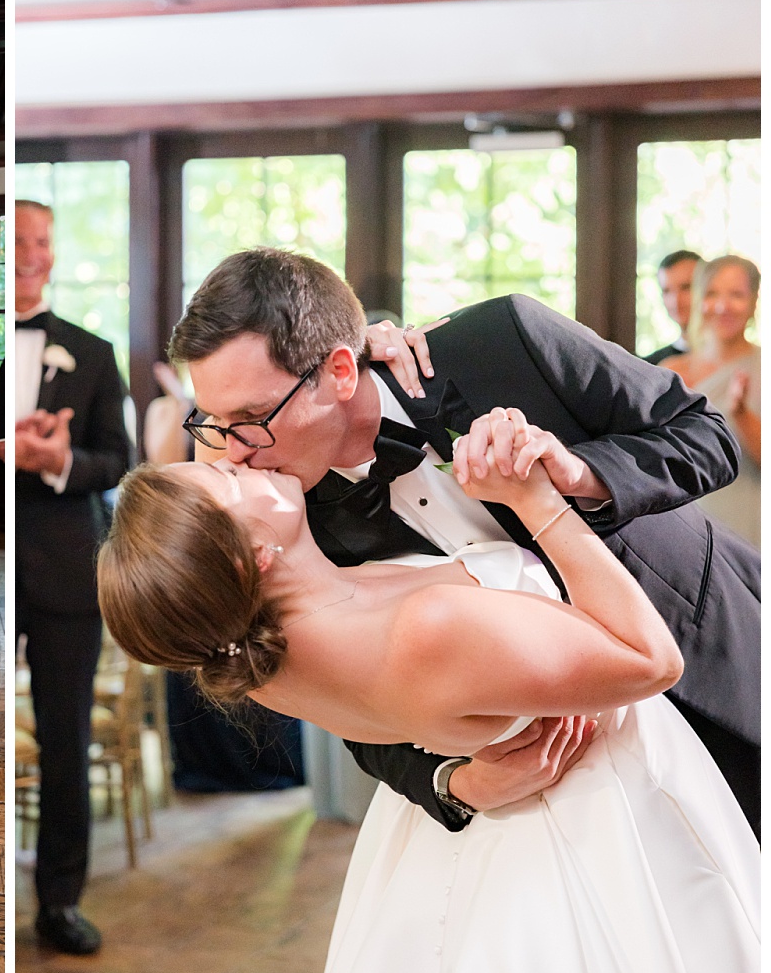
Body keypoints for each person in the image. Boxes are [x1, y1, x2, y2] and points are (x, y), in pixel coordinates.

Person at [97, 443, 758, 973]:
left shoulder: (260, 662)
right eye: (227, 477)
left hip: (446, 844)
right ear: (251, 557)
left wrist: (451, 781)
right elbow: (651, 660)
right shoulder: (423, 630)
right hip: (595, 823)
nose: (241, 455)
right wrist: (536, 501)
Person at [168, 248, 758, 834]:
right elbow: (354, 697)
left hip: (708, 645)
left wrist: (577, 473)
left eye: (253, 416)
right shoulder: (287, 521)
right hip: (572, 796)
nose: (233, 449)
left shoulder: (501, 339)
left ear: (342, 372)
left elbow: (706, 437)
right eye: (214, 422)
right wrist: (452, 783)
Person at [13, 199, 132, 955]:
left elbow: (117, 461)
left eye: (42, 242)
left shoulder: (92, 352)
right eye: (19, 242)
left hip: (65, 570)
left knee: (64, 741)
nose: (30, 254)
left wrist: (60, 463)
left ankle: (59, 900)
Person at [660, 254, 760, 547]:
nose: (722, 306)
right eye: (712, 294)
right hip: (680, 530)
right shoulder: (670, 370)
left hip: (746, 530)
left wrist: (740, 414)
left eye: (736, 295)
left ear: (754, 301)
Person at [643, 249, 701, 364]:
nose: (676, 301)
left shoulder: (739, 360)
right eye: (667, 291)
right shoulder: (651, 366)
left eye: (686, 287)